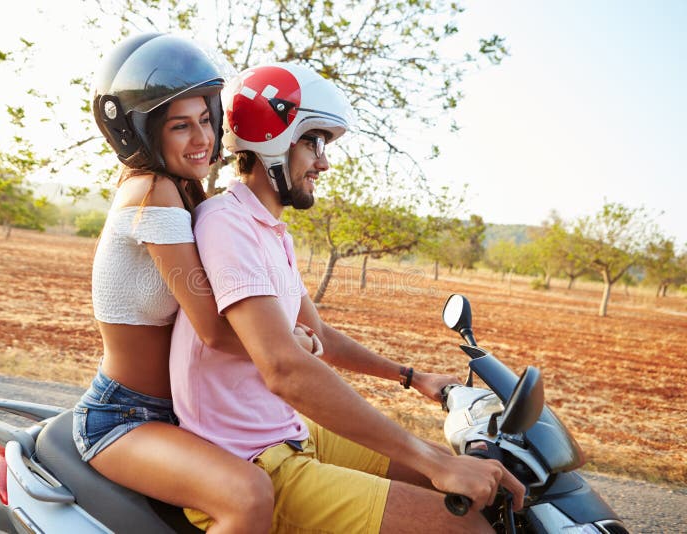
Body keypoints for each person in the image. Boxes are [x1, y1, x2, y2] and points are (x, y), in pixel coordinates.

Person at [169, 63, 526, 533]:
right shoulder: (225, 224)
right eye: (313, 142)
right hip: (252, 460)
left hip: (290, 433)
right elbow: (284, 368)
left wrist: (414, 377)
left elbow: (317, 336)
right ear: (274, 137)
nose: (324, 162)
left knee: (461, 482)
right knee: (464, 526)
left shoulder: (270, 231)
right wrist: (430, 461)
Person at [73, 34, 315, 533]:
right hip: (125, 418)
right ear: (141, 134)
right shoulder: (152, 192)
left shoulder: (187, 192)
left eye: (206, 118)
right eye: (180, 126)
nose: (202, 137)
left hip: (180, 416)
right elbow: (214, 329)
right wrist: (288, 341)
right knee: (248, 497)